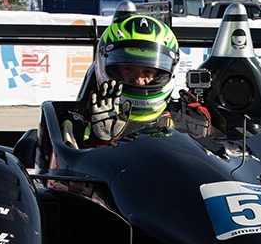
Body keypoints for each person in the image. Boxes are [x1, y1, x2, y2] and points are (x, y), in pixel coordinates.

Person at [62, 15, 210, 148]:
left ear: (163, 74)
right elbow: (74, 163)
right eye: (128, 69)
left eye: (148, 72)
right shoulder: (81, 120)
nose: (138, 81)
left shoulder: (181, 116)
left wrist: (201, 137)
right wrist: (100, 141)